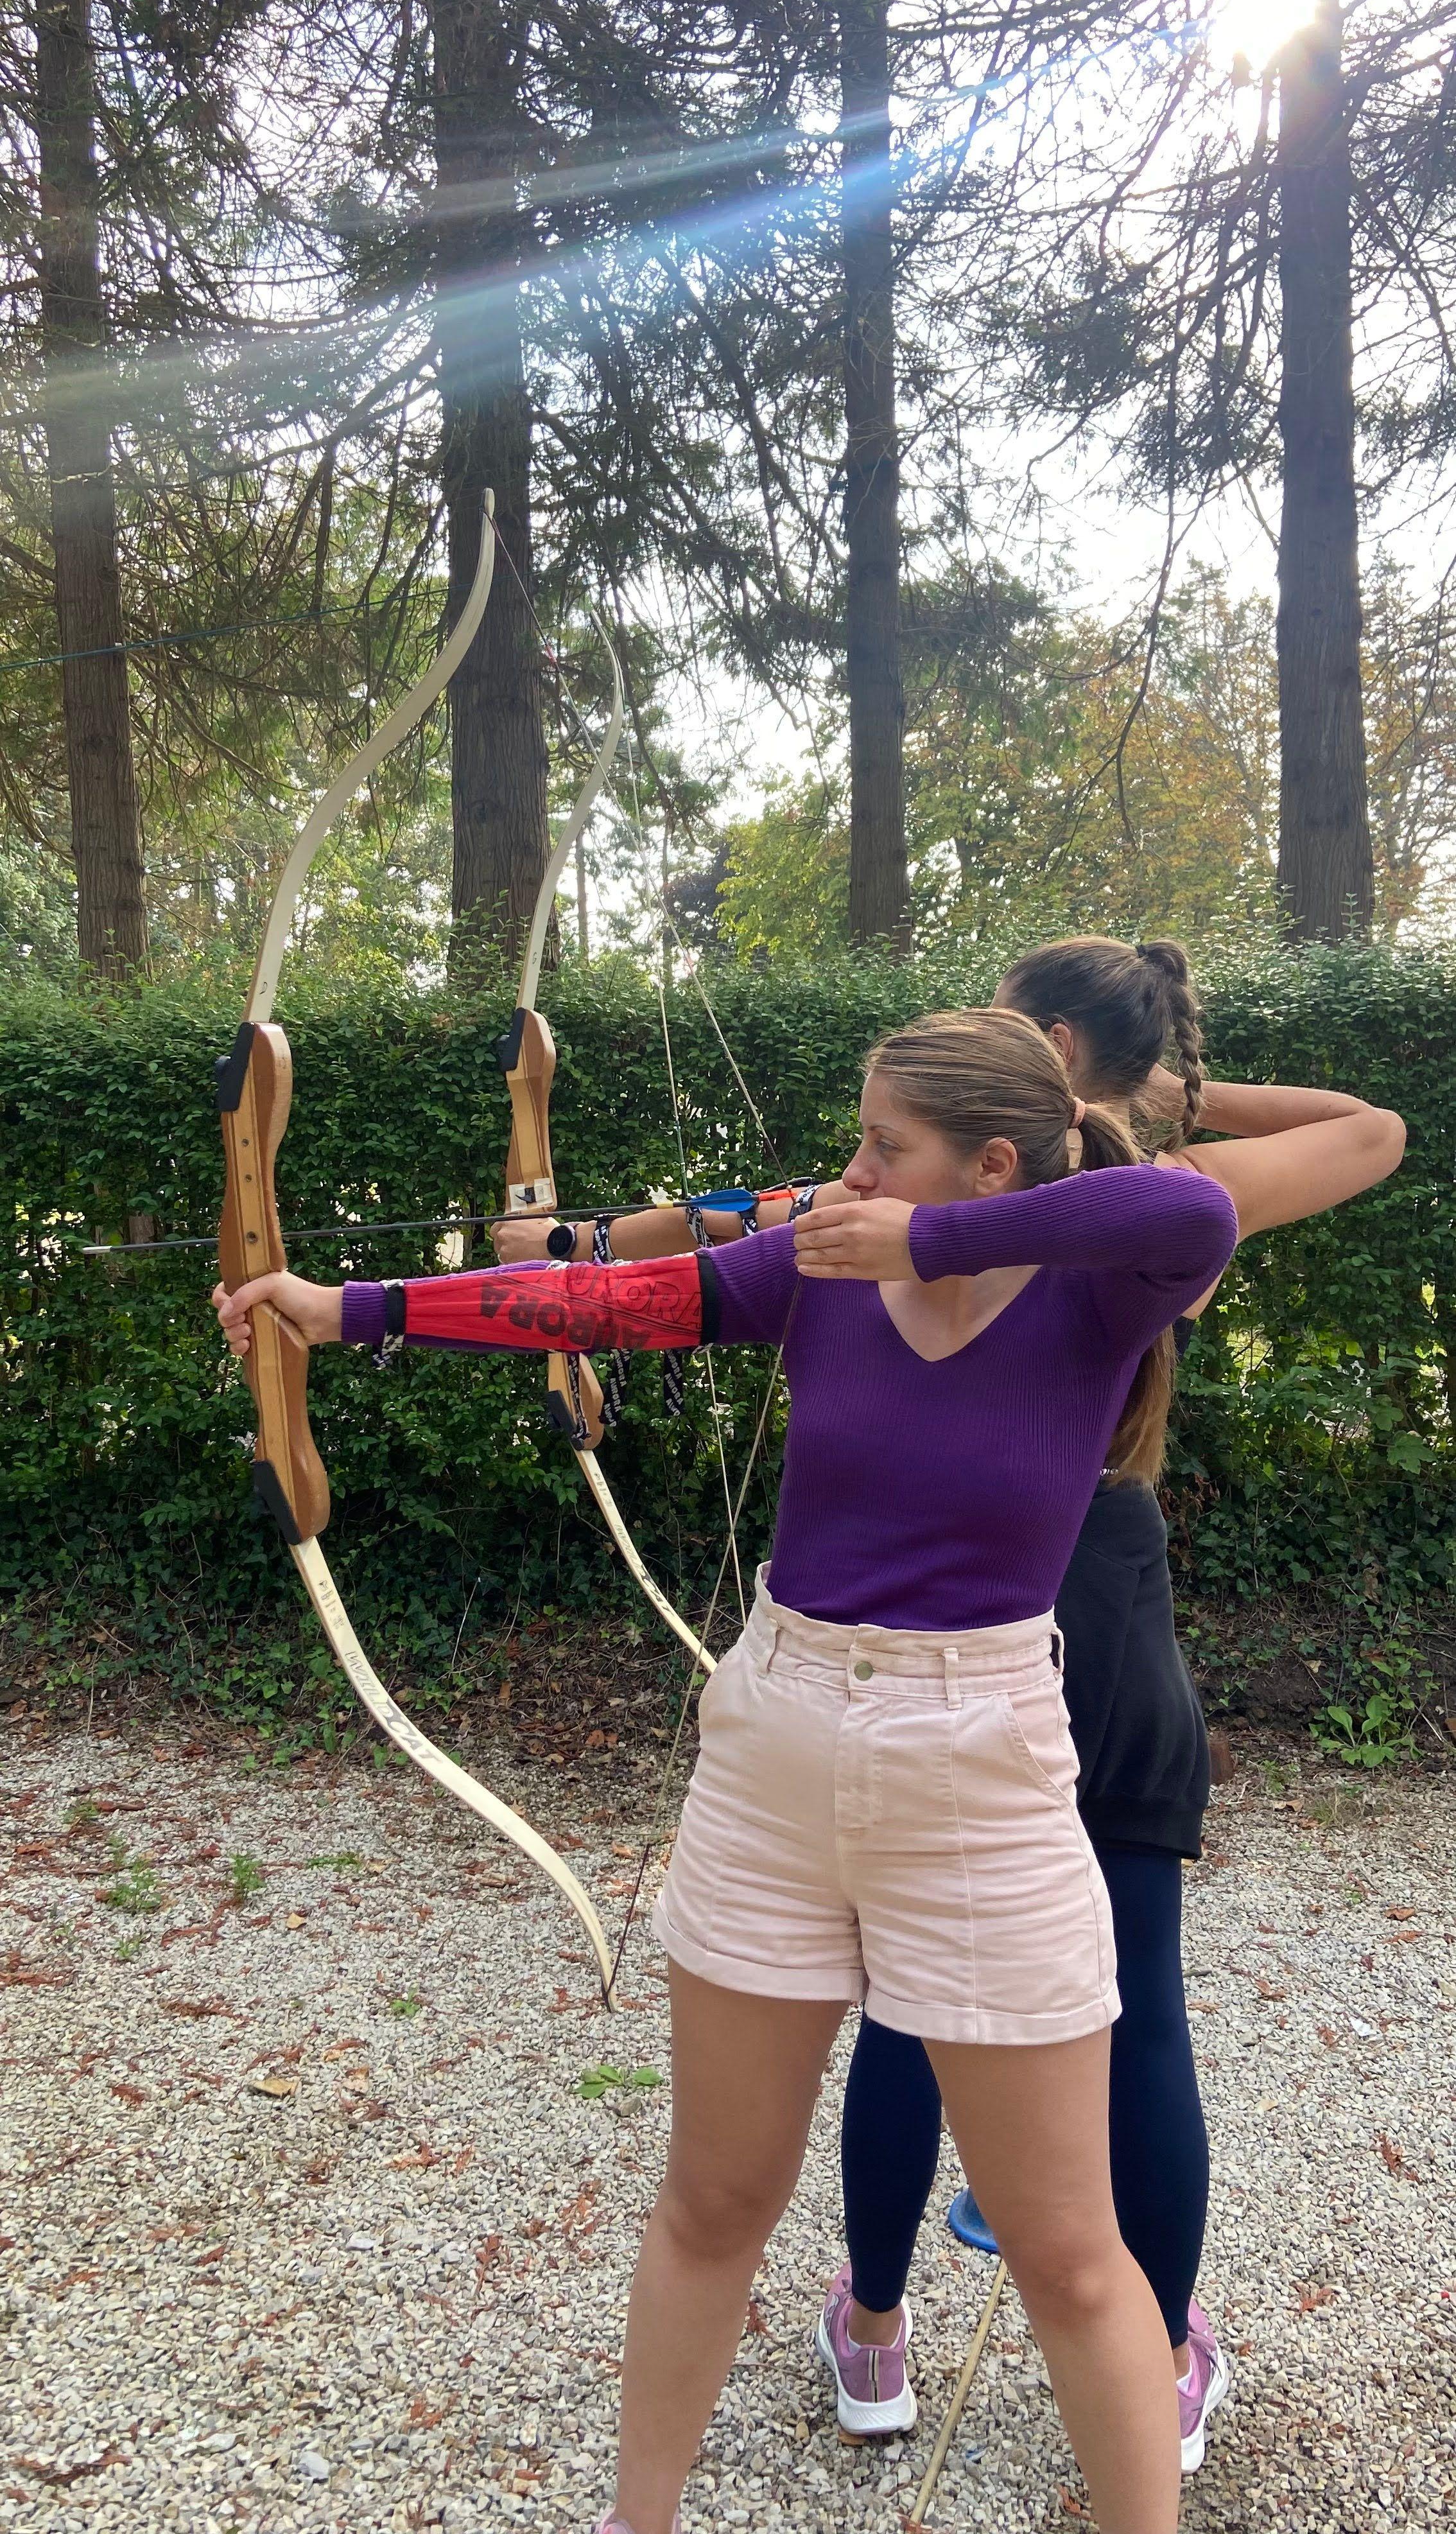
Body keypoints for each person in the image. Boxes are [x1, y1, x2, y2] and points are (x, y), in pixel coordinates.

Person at [217, 1002, 1243, 2534]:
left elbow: (1195, 1209)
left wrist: (928, 1243)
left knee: (1071, 2256)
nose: (848, 1174)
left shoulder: (1098, 1290)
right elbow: (597, 1300)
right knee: (713, 2199)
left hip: (983, 1761)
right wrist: (344, 1311)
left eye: (884, 1147)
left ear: (992, 1166)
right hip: (778, 1744)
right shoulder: (816, 1267)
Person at [492, 934, 1407, 2476]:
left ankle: (939, 2318)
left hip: (1037, 1619)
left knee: (1017, 2017)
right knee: (1069, 1998)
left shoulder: (1110, 1202)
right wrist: (553, 1252)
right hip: (1064, 1598)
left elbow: (1342, 1146)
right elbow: (730, 1239)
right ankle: (1027, 2332)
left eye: (1003, 1020)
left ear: (1049, 1060)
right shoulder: (951, 1190)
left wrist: (1137, 1119)